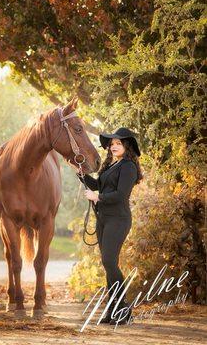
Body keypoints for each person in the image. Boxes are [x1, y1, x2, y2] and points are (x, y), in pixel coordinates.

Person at [76, 127, 143, 325]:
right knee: (108, 265)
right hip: (104, 219)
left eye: (118, 143)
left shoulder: (129, 166)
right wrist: (80, 173)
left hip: (118, 219)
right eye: (112, 144)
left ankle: (123, 310)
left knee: (109, 262)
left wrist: (98, 197)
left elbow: (120, 195)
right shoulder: (112, 165)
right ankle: (112, 311)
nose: (114, 146)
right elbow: (98, 185)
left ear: (126, 145)